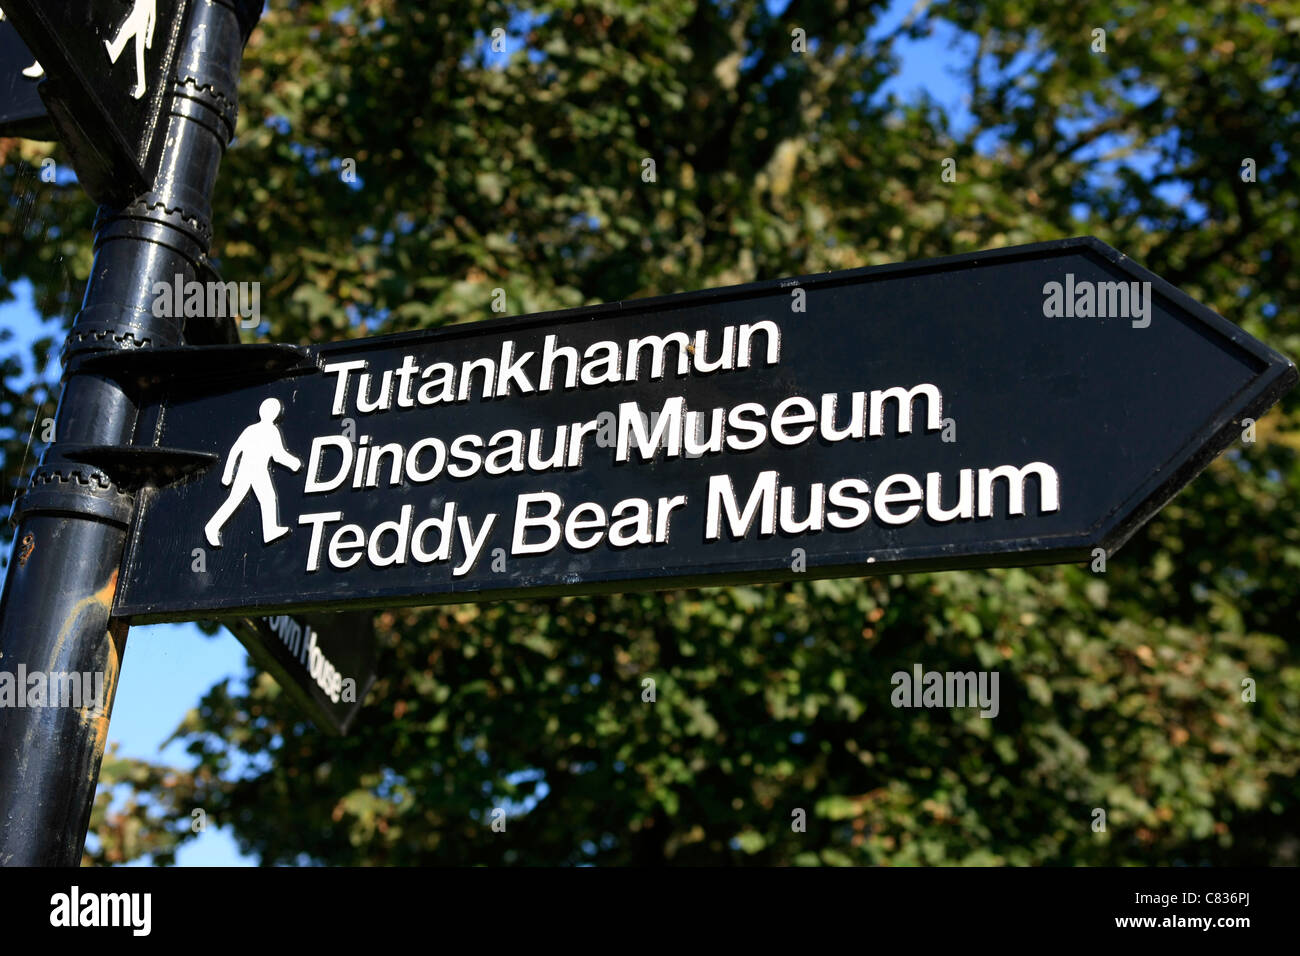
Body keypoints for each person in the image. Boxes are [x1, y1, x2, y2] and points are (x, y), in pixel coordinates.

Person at [204, 397, 302, 548]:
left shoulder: (260, 430)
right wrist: (227, 474)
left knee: (267, 498)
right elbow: (237, 450)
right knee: (236, 500)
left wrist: (292, 463)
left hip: (258, 470)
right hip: (249, 469)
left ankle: (269, 530)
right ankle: (212, 527)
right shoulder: (262, 430)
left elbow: (276, 454)